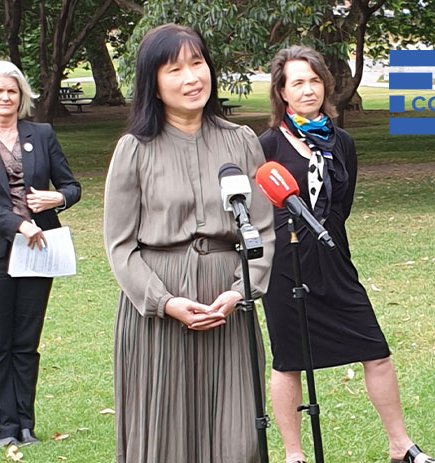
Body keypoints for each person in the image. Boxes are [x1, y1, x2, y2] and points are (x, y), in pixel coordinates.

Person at [258, 45, 435, 463]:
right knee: (288, 360)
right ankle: (294, 454)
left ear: (327, 85)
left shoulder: (341, 142)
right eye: (297, 83)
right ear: (282, 92)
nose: (308, 90)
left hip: (334, 260)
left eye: (315, 80)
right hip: (284, 266)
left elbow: (341, 206)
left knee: (376, 350)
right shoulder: (266, 144)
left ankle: (401, 446)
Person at [103, 24, 275, 463]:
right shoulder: (134, 149)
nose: (190, 77)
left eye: (197, 63)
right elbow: (120, 245)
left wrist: (241, 290)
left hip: (227, 303)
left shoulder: (241, 141)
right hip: (159, 308)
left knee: (238, 434)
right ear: (153, 84)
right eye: (174, 68)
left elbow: (262, 230)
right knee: (165, 435)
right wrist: (164, 302)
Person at [0, 60, 81, 448]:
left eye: (12, 91)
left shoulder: (41, 134)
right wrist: (16, 223)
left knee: (27, 341)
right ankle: (2, 423)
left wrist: (57, 198)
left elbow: (72, 185)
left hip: (39, 250)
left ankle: (25, 423)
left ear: (21, 96)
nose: (5, 97)